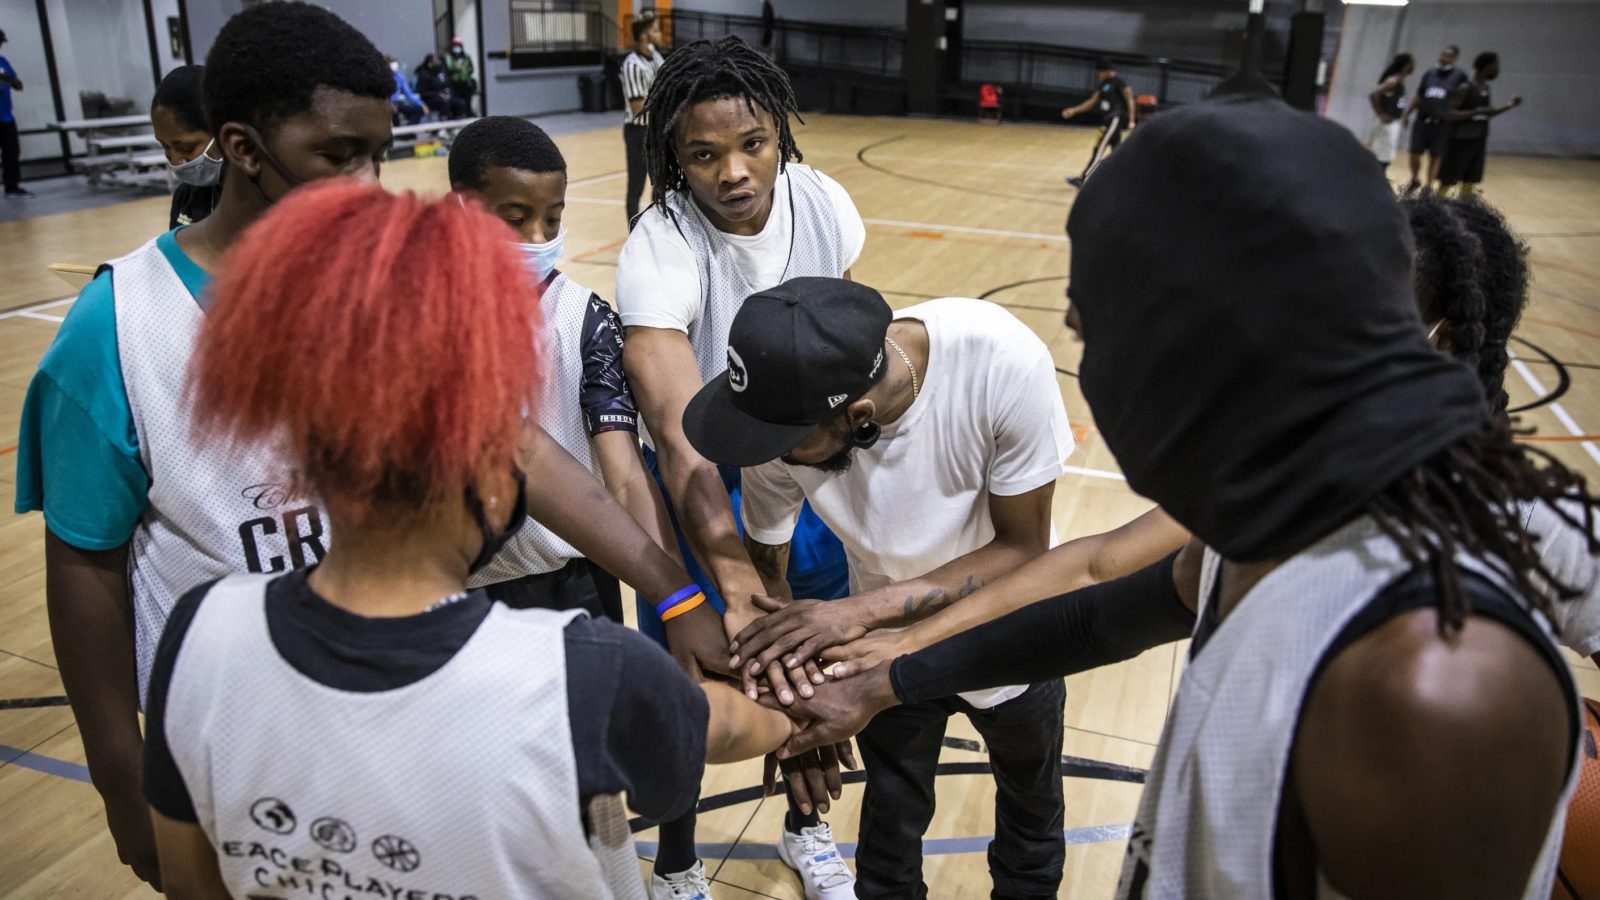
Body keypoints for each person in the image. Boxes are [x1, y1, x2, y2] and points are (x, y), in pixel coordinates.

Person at [779, 92, 1590, 899]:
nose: (1089, 376)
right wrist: (890, 677)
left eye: (1094, 330)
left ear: (1222, 345)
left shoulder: (1433, 679)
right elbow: (1092, 600)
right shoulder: (1266, 530)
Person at [142, 180, 801, 900]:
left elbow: (191, 883)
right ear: (497, 471)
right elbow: (730, 727)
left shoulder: (198, 633)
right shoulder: (584, 676)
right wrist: (799, 693)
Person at [13, 4, 395, 889]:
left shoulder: (377, 290)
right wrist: (119, 778)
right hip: (227, 738)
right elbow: (83, 564)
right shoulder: (119, 327)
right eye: (335, 156)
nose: (367, 183)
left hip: (385, 703)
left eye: (377, 153)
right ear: (244, 148)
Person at [684, 279, 1077, 898]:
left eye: (784, 445)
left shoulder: (1000, 362)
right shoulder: (781, 414)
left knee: (1030, 813)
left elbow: (1023, 549)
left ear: (856, 417)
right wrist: (786, 696)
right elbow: (768, 565)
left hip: (1012, 623)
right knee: (890, 830)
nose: (766, 455)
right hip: (879, 646)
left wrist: (855, 613)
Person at [617, 34, 863, 899]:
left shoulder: (826, 203)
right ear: (673, 159)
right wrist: (732, 574)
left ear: (780, 138)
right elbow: (680, 432)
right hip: (702, 479)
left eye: (751, 144)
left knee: (814, 654)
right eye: (703, 155)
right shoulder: (662, 241)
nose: (732, 171)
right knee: (692, 677)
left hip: (802, 467)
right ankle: (679, 861)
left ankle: (807, 824)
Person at [1438, 51, 1521, 196]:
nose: (1497, 69)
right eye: (1495, 65)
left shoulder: (1486, 89)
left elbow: (1487, 113)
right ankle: (1435, 204)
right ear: (1485, 66)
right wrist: (1474, 112)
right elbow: (1449, 114)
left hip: (1478, 138)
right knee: (1449, 178)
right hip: (1460, 140)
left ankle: (1465, 207)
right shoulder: (1465, 87)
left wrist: (1509, 105)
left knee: (1471, 178)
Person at [151, 65, 222, 229]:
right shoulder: (184, 198)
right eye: (165, 148)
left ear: (222, 133)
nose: (175, 160)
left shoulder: (265, 198)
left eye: (186, 147)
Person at [1401, 44, 1469, 192]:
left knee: (1436, 155)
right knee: (1414, 152)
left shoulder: (1460, 76)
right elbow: (1419, 95)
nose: (1444, 57)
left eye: (1448, 56)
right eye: (1443, 54)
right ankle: (1414, 179)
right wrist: (1407, 113)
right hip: (1422, 120)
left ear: (1455, 58)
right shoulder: (1430, 73)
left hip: (1442, 123)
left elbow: (1463, 97)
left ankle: (1429, 185)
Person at [1062, 57, 1134, 187]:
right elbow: (1091, 102)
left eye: (1099, 72)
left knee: (1099, 149)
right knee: (1117, 151)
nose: (1098, 75)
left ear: (1106, 71)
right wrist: (1074, 110)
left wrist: (1131, 120)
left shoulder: (1119, 82)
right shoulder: (1103, 85)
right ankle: (1124, 181)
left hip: (1115, 119)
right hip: (1107, 120)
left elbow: (1130, 101)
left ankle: (1084, 179)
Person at [622, 13, 666, 226]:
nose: (660, 34)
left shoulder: (656, 57)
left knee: (660, 183)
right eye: (656, 30)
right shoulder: (632, 65)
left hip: (656, 129)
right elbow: (638, 108)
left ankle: (656, 230)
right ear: (644, 35)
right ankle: (634, 233)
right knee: (636, 186)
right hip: (638, 132)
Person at [1367, 52, 1413, 169]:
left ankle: (1378, 178)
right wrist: (1380, 114)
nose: (1413, 66)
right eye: (1411, 63)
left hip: (1393, 122)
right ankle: (1376, 180)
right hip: (1387, 123)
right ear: (1405, 65)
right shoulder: (1393, 80)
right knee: (1382, 156)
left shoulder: (1400, 80)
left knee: (1386, 155)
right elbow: (1373, 94)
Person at [0, 27, 31, 198]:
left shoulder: (3, 61)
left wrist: (9, 79)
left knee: (12, 151)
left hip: (5, 116)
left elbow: (18, 85)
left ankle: (12, 186)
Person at [385, 54, 427, 124]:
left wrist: (421, 104)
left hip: (397, 103)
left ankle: (408, 132)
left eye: (395, 62)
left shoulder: (399, 76)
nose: (394, 65)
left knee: (418, 110)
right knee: (394, 116)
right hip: (386, 104)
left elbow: (408, 93)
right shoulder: (382, 77)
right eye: (391, 62)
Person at [415, 52, 458, 118]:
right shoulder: (424, 74)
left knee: (459, 103)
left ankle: (456, 119)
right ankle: (444, 121)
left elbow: (448, 85)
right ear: (430, 64)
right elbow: (422, 92)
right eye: (435, 61)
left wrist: (448, 93)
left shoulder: (440, 72)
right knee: (444, 103)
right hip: (430, 99)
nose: (438, 63)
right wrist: (438, 94)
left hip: (444, 96)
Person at [447, 36, 476, 117]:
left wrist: (465, 70)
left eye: (458, 45)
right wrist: (455, 69)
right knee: (457, 101)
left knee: (467, 101)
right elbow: (447, 69)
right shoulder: (449, 57)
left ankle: (468, 114)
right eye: (455, 45)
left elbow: (471, 69)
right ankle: (457, 115)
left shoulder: (466, 57)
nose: (457, 47)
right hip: (454, 83)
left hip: (465, 83)